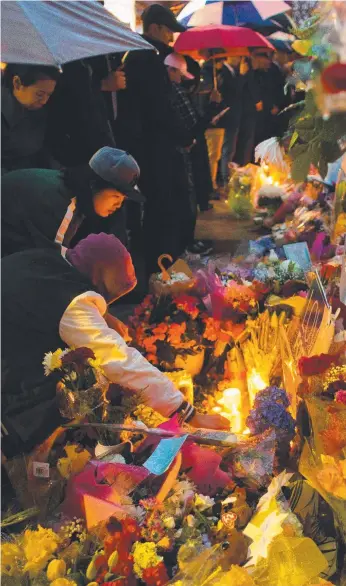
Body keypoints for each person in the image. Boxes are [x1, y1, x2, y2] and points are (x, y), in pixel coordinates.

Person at [1, 233, 228, 458]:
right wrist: (186, 413)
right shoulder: (71, 303)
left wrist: (103, 314)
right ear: (101, 278)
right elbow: (119, 360)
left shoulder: (48, 259)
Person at [113, 3, 192, 275]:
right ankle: (160, 268)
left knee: (153, 211)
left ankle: (157, 265)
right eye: (169, 30)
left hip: (141, 147)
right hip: (152, 150)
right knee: (161, 210)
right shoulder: (146, 58)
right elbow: (158, 108)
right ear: (156, 27)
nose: (172, 37)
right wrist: (182, 134)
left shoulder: (137, 55)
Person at [1, 147, 144, 257]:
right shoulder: (61, 203)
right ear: (93, 184)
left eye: (123, 200)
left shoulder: (72, 195)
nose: (118, 205)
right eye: (115, 196)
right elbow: (51, 261)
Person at [2, 64, 60, 173]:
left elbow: (42, 151)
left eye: (49, 95)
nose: (44, 101)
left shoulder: (39, 112)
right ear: (17, 83)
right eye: (39, 94)